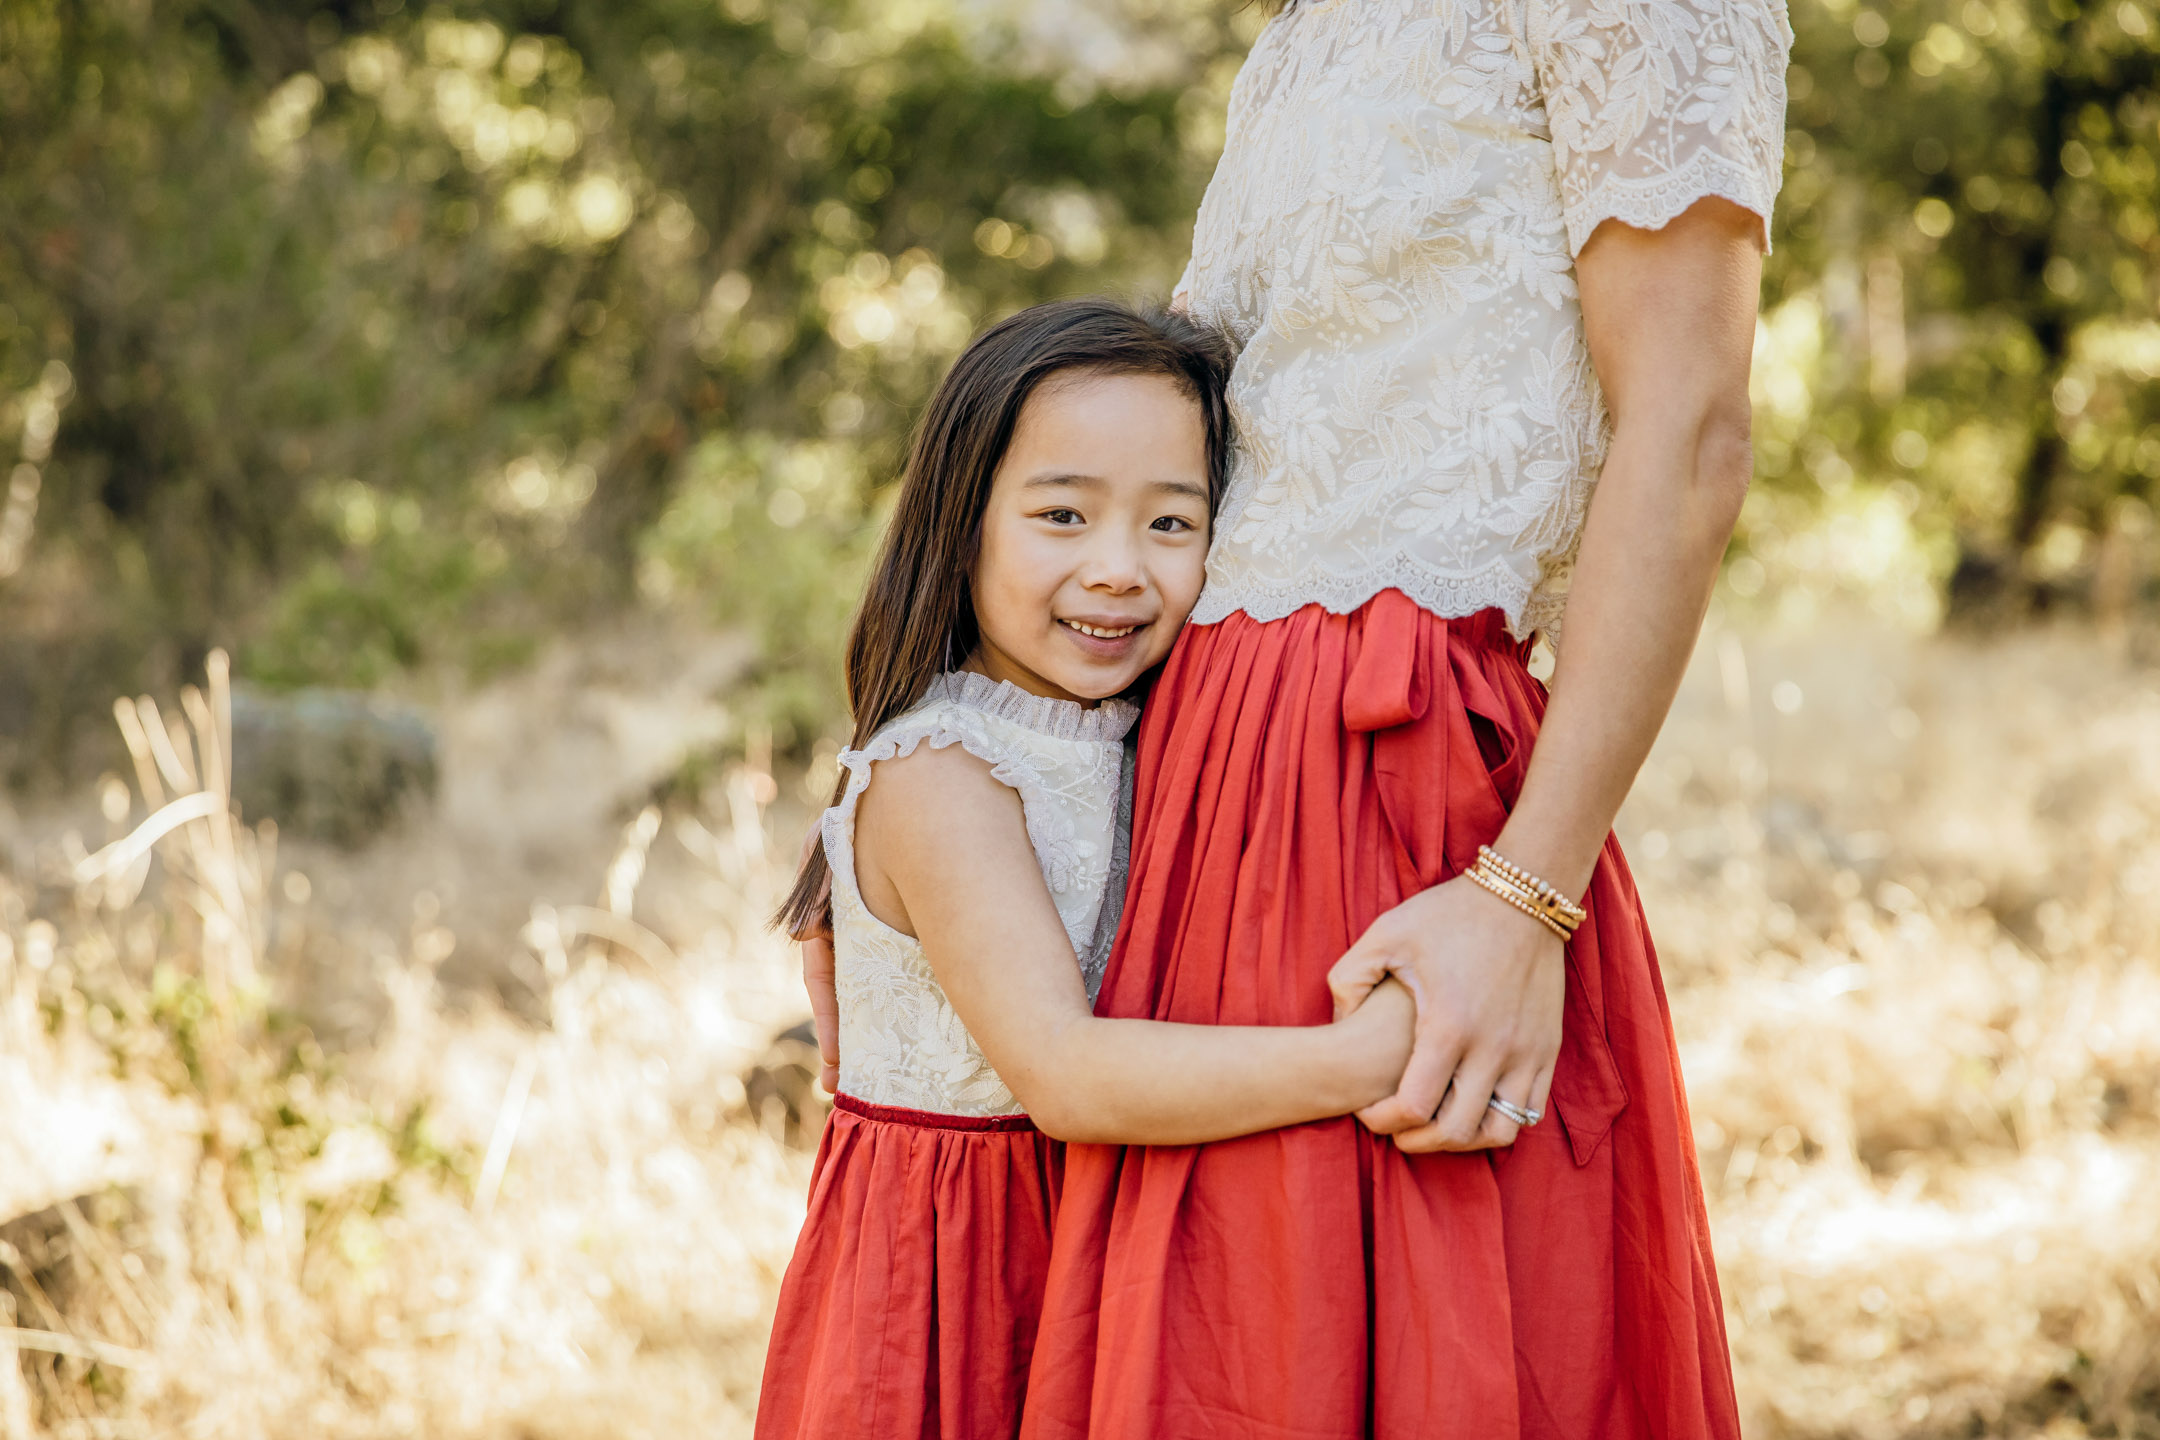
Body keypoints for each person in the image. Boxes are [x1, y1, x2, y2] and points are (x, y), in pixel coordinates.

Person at [998, 1, 1796, 1434]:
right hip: (1195, 784)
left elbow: (1691, 426)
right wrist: (953, 769)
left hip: (1398, 796)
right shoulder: (1308, 21)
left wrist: (1524, 896)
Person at [757, 298, 1416, 1440]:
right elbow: (1062, 1075)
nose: (1118, 570)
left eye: (1173, 524)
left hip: (1105, 1236)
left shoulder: (1150, 735)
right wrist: (1364, 1060)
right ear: (961, 523)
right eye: (1062, 514)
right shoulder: (943, 775)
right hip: (961, 1284)